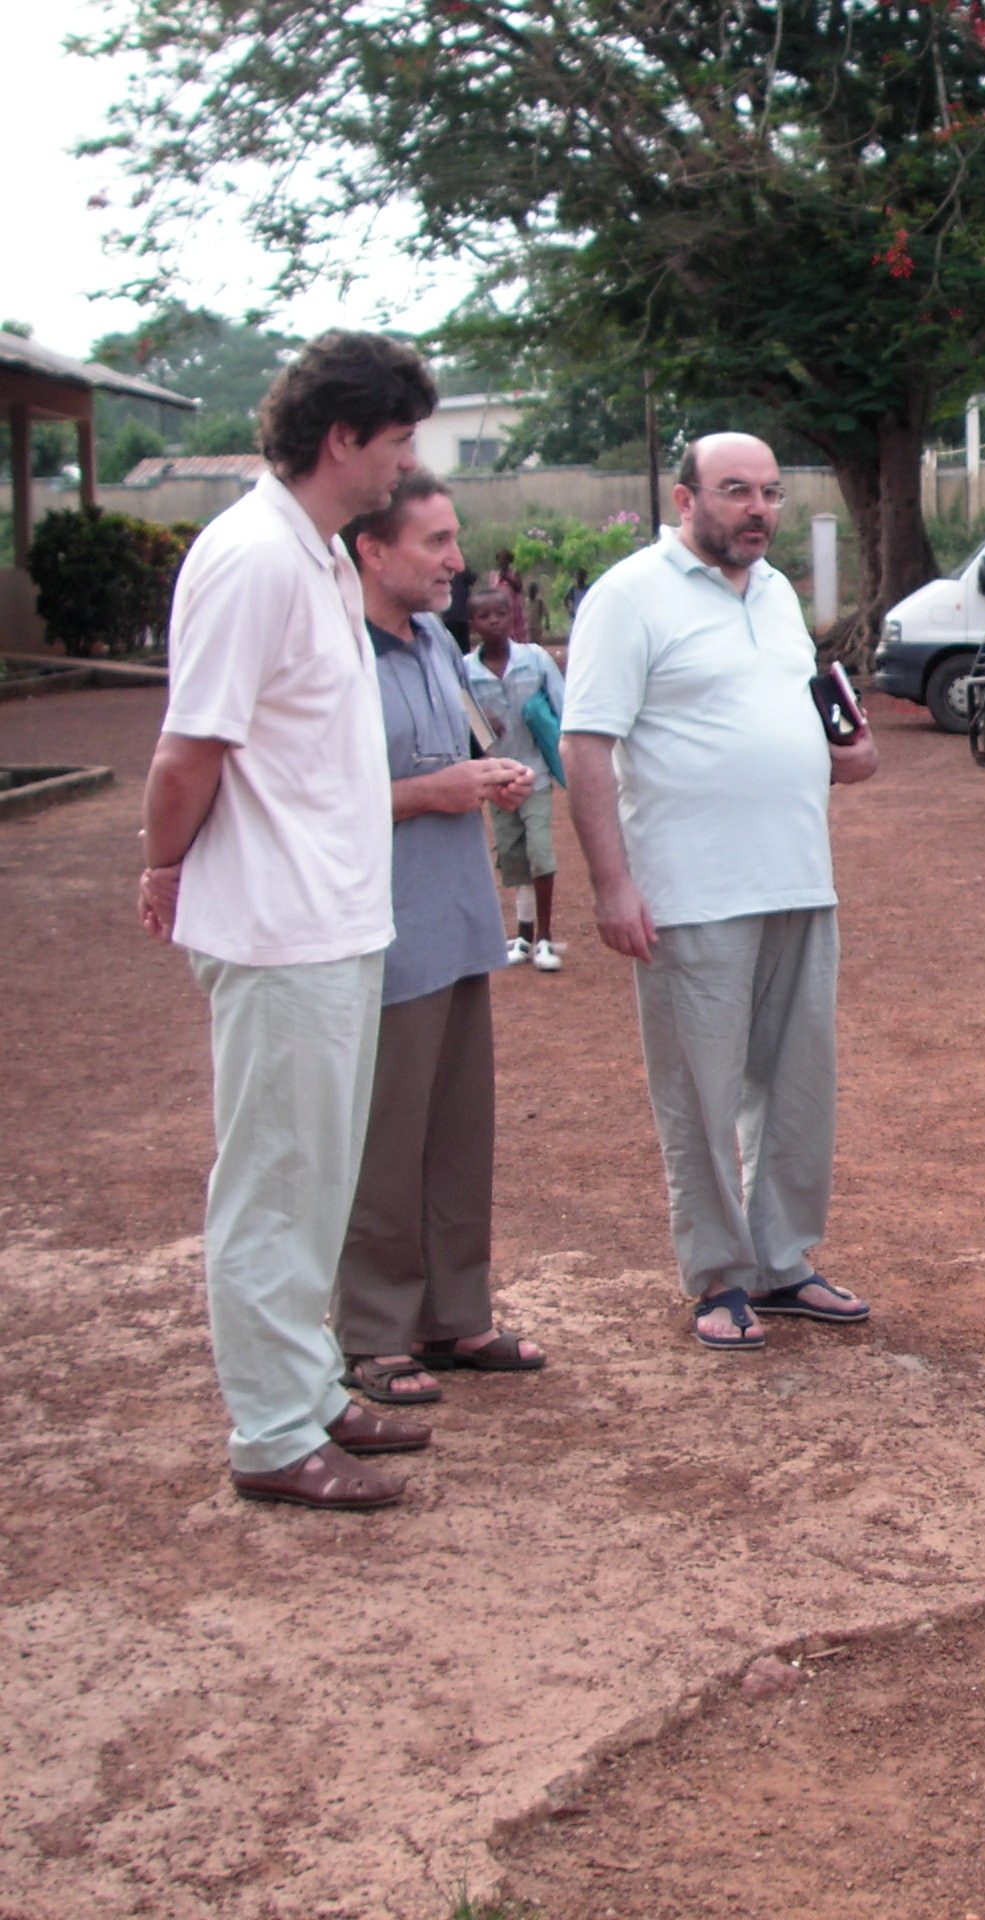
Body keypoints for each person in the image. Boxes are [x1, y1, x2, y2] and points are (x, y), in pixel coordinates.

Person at [136, 329, 441, 1509]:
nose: (407, 464)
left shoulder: (314, 555)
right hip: (276, 929)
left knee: (317, 1179)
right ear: (342, 439)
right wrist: (163, 865)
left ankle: (305, 1388)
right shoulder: (253, 559)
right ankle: (269, 1433)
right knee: (273, 1182)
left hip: (335, 921)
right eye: (398, 440)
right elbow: (187, 753)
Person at [560, 433, 880, 1351]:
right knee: (699, 1095)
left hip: (797, 879)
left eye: (771, 493)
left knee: (796, 1085)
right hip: (690, 893)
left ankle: (782, 1262)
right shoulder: (629, 596)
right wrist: (612, 886)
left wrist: (846, 753)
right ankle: (718, 1277)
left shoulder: (776, 593)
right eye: (736, 490)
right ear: (684, 498)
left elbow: (794, 714)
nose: (758, 510)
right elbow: (586, 745)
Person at [333, 470, 550, 1407]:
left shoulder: (432, 642)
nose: (457, 562)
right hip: (380, 930)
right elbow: (311, 800)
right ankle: (374, 1331)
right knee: (385, 1141)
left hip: (458, 923)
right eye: (436, 542)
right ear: (372, 550)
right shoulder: (334, 651)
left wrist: (489, 777)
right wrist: (434, 793)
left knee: (458, 1135)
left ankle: (456, 1314)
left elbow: (455, 753)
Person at [461, 583, 569, 969]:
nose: (494, 621)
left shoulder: (534, 659)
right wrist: (480, 723)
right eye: (484, 616)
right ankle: (523, 934)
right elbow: (462, 714)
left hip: (534, 774)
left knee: (540, 851)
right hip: (497, 778)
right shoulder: (466, 670)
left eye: (500, 613)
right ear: (472, 624)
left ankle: (545, 938)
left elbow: (562, 704)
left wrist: (565, 753)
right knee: (512, 855)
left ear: (512, 617)